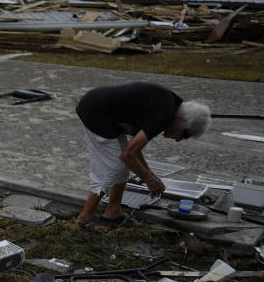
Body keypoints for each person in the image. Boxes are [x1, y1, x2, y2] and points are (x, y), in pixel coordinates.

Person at [75, 82, 211, 230]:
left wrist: (150, 174)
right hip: (95, 111)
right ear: (181, 121)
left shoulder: (172, 108)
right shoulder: (164, 116)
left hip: (105, 112)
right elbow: (127, 155)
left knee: (122, 168)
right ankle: (85, 217)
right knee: (112, 168)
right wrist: (149, 180)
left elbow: (133, 150)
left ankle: (113, 212)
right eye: (184, 136)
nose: (178, 140)